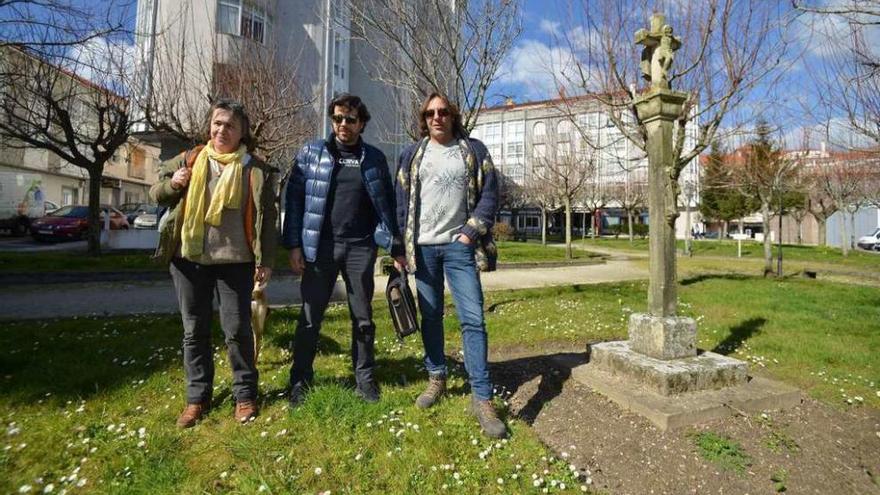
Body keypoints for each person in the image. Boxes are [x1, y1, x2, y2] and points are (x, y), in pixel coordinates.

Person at [151, 99, 277, 428]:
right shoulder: (190, 159)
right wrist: (173, 183)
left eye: (230, 125)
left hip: (236, 262)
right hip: (189, 259)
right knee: (194, 331)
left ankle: (245, 395)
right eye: (217, 123)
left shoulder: (255, 169)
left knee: (237, 331)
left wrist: (265, 260)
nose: (222, 129)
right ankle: (197, 399)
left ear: (242, 133)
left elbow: (267, 219)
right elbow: (156, 192)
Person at [394, 92, 505, 439]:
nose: (436, 117)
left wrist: (471, 232)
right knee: (430, 317)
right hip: (423, 249)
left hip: (460, 248)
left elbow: (491, 192)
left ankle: (482, 396)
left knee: (473, 318)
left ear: (453, 115)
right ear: (423, 118)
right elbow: (400, 203)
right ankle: (436, 378)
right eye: (430, 113)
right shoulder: (412, 154)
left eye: (443, 112)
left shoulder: (473, 150)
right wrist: (399, 246)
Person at [282, 93, 405, 407]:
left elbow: (386, 205)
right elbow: (294, 201)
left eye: (350, 119)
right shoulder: (312, 153)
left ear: (361, 123)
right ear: (331, 120)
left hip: (360, 248)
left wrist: (394, 244)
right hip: (319, 248)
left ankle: (364, 379)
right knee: (310, 318)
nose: (343, 125)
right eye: (337, 118)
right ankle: (300, 381)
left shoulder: (374, 158)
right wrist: (294, 244)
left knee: (363, 318)